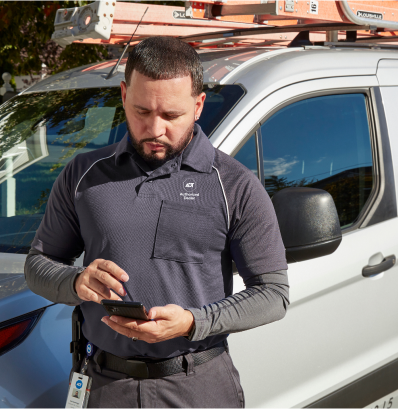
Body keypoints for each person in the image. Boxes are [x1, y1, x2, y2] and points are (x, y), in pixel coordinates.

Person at [24, 36, 289, 408]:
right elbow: (37, 265)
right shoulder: (84, 175)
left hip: (196, 386)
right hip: (101, 385)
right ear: (123, 95)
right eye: (142, 111)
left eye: (171, 115)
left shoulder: (234, 185)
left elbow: (273, 295)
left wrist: (194, 322)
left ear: (198, 106)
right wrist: (77, 281)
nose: (155, 129)